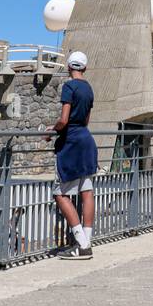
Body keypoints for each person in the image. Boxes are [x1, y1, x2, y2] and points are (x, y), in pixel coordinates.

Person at [50, 49, 98, 260]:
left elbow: (64, 119)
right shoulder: (88, 88)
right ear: (85, 68)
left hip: (71, 142)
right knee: (86, 191)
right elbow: (86, 120)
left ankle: (80, 242)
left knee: (60, 193)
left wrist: (51, 131)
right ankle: (86, 241)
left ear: (69, 67)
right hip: (87, 141)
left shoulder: (69, 87)